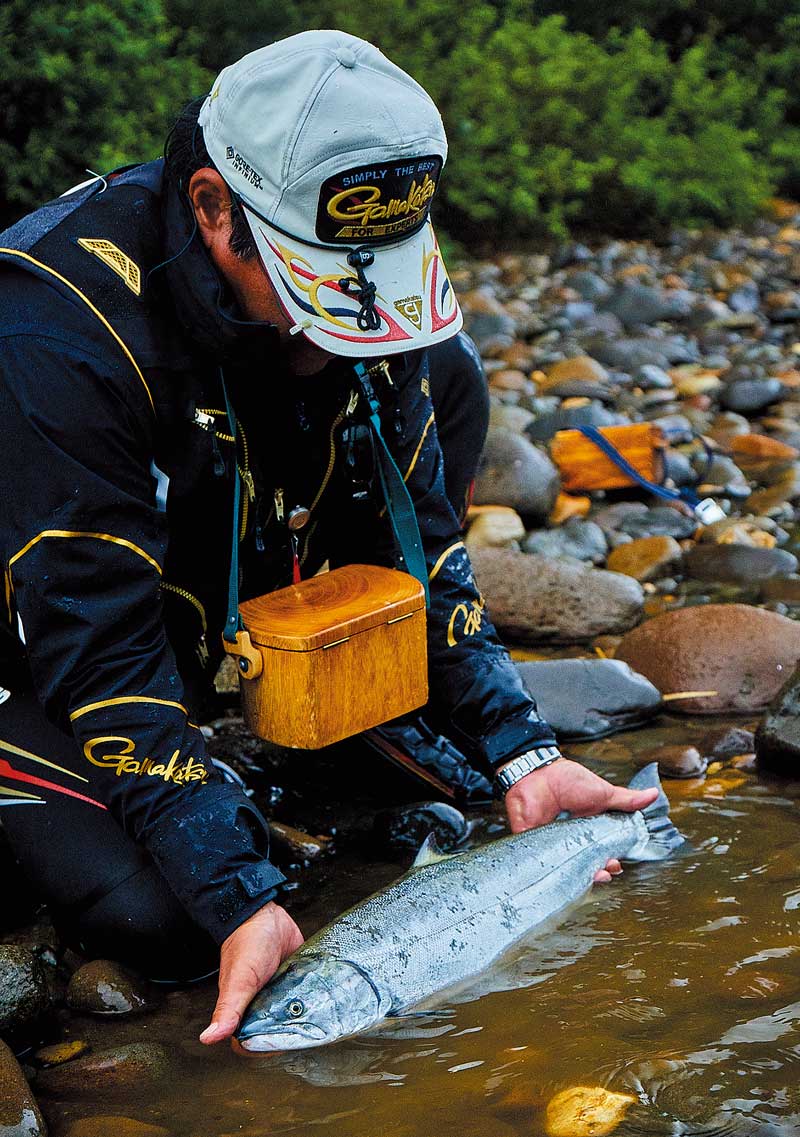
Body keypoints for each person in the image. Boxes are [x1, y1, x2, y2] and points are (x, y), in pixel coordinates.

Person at [0, 30, 656, 1046]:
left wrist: (523, 751)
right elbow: (101, 654)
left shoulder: (373, 317)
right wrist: (231, 893)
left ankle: (311, 710)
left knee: (450, 378)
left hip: (205, 557)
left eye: (366, 294)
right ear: (215, 209)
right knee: (164, 921)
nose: (346, 332)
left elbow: (423, 543)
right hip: (42, 640)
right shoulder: (55, 337)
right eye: (317, 294)